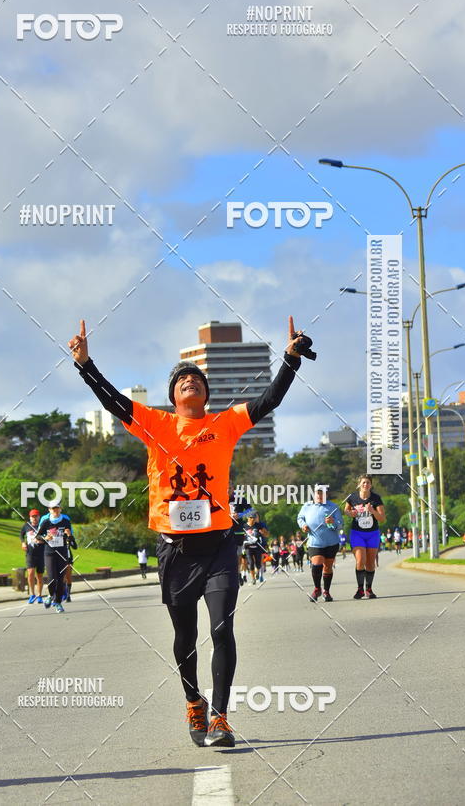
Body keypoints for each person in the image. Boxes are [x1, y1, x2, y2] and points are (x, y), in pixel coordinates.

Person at [69, 315, 310, 748]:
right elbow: (113, 401)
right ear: (172, 396)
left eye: (196, 377)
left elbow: (269, 399)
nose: (189, 380)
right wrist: (85, 365)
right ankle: (193, 701)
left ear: (206, 393)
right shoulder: (155, 425)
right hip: (175, 550)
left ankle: (220, 718)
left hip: (219, 546)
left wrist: (290, 359)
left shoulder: (226, 424)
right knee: (185, 637)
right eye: (181, 379)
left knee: (221, 629)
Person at [344, 475, 386, 599]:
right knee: (360, 560)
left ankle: (369, 589)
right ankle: (360, 589)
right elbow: (346, 511)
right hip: (357, 533)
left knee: (370, 563)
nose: (365, 485)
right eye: (363, 482)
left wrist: (372, 511)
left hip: (372, 534)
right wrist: (351, 513)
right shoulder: (352, 497)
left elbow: (382, 519)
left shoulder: (376, 498)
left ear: (371, 485)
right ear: (359, 484)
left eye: (368, 483)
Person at [297, 487, 343, 602]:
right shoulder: (307, 506)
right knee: (317, 564)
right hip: (314, 542)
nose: (319, 496)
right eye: (318, 493)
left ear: (326, 494)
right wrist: (303, 525)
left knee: (327, 567)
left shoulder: (333, 506)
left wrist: (332, 522)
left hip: (331, 542)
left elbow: (340, 524)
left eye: (322, 493)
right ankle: (317, 589)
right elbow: (300, 518)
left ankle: (326, 591)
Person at [36, 504, 73, 613]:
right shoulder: (46, 522)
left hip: (62, 553)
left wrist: (69, 535)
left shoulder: (65, 521)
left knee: (60, 579)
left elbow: (71, 539)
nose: (55, 510)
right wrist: (45, 537)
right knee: (52, 578)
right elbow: (38, 536)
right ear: (49, 510)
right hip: (49, 553)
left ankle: (58, 603)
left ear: (60, 509)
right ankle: (51, 595)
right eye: (53, 508)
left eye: (57, 508)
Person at [20, 508, 45, 603]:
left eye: (36, 516)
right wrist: (23, 543)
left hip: (41, 553)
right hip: (30, 553)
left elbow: (48, 537)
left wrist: (42, 540)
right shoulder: (27, 526)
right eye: (32, 516)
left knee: (39, 575)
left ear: (39, 517)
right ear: (30, 517)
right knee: (30, 573)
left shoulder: (42, 526)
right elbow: (21, 535)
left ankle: (39, 595)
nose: (34, 518)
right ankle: (32, 594)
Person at [228, 486, 251, 586]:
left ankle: (238, 574)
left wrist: (240, 515)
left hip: (238, 530)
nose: (228, 490)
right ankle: (231, 575)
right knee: (227, 554)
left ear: (233, 488)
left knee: (238, 555)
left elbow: (250, 510)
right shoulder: (221, 498)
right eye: (226, 488)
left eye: (229, 488)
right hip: (225, 530)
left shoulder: (240, 498)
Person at [244, 512, 269, 584]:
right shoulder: (244, 526)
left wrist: (263, 532)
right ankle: (253, 579)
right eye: (251, 518)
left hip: (257, 547)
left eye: (254, 518)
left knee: (258, 564)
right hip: (248, 547)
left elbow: (267, 534)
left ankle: (258, 572)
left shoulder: (258, 525)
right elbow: (241, 536)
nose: (252, 519)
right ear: (248, 518)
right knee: (251, 563)